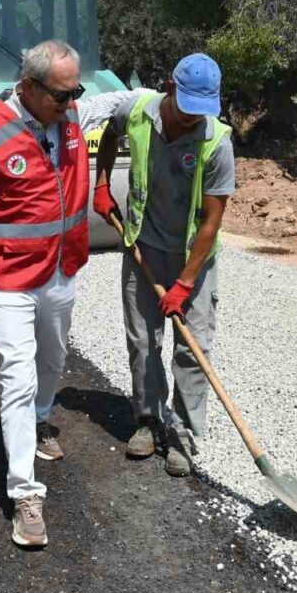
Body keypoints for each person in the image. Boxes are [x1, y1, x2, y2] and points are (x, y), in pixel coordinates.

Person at [0, 40, 112, 548]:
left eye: (76, 90)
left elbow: (115, 103)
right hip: (9, 277)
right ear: (28, 87)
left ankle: (41, 419)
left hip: (59, 270)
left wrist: (157, 104)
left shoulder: (71, 114)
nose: (71, 101)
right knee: (18, 373)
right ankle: (25, 494)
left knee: (53, 362)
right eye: (61, 93)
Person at [91, 53, 235, 477]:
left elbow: (211, 222)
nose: (194, 120)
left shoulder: (216, 141)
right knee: (142, 340)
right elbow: (107, 133)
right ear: (170, 88)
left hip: (194, 257)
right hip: (143, 246)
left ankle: (184, 436)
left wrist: (186, 284)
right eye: (188, 109)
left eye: (202, 112)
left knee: (192, 348)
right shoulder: (134, 112)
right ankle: (148, 421)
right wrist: (101, 184)